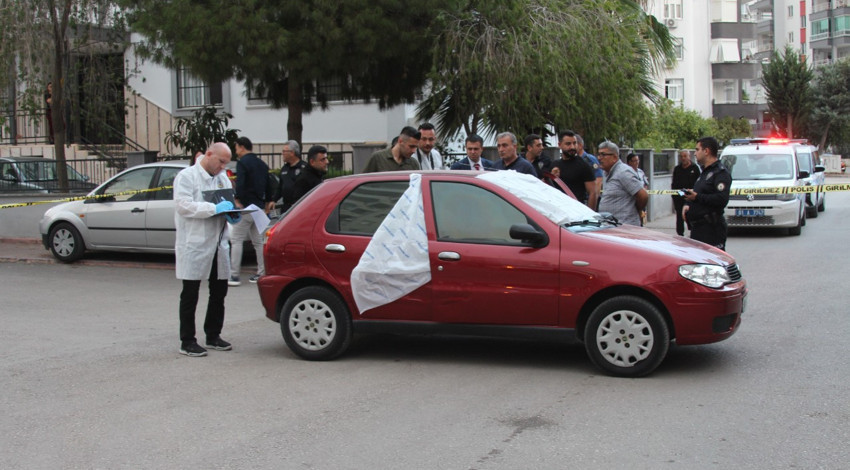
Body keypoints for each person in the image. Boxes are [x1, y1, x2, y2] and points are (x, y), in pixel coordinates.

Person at [173, 142, 239, 357]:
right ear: (209, 154)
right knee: (190, 293)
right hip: (195, 242)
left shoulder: (221, 177)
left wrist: (232, 213)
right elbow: (183, 205)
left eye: (225, 164)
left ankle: (213, 335)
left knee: (219, 291)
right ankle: (187, 340)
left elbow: (227, 200)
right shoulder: (187, 176)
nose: (222, 167)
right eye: (220, 162)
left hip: (218, 242)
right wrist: (213, 208)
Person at [228, 136, 268, 286]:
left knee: (237, 239)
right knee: (258, 242)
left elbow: (241, 184)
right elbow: (268, 183)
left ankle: (234, 275)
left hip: (245, 207)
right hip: (259, 207)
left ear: (242, 147)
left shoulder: (242, 163)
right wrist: (268, 201)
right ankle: (261, 272)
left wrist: (237, 199)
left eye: (236, 147)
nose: (236, 151)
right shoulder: (261, 164)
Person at [683, 136, 732, 250]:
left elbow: (721, 199)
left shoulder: (720, 173)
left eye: (697, 150)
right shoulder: (705, 172)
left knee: (712, 265)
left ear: (706, 151)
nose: (695, 153)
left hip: (711, 229)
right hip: (698, 229)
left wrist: (697, 197)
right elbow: (699, 194)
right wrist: (688, 205)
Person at [597, 142, 648, 226]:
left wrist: (637, 210)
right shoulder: (608, 173)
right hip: (613, 227)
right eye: (598, 154)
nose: (599, 158)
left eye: (603, 155)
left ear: (614, 157)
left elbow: (643, 196)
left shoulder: (623, 172)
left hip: (625, 227)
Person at [551, 130, 598, 210]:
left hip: (577, 211)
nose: (572, 147)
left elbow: (593, 192)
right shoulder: (554, 165)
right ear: (559, 145)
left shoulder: (583, 165)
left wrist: (590, 215)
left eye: (574, 143)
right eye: (568, 144)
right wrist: (551, 176)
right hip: (558, 209)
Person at [671, 149, 701, 236]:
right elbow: (674, 185)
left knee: (691, 215)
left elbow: (698, 184)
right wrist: (679, 195)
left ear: (689, 157)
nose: (683, 158)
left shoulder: (695, 168)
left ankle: (693, 232)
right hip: (679, 198)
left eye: (685, 156)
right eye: (681, 156)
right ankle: (680, 235)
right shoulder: (677, 169)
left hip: (691, 197)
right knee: (679, 217)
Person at [278, 140, 307, 212]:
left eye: (285, 151)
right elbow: (280, 187)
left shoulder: (304, 168)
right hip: (286, 207)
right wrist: (273, 200)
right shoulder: (284, 168)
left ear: (292, 153)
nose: (283, 153)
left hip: (300, 207)